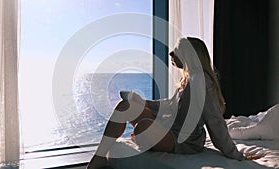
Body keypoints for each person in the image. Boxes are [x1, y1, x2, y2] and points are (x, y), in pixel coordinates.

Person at [87, 37, 262, 169]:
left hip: (184, 141)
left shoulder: (201, 82)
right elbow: (170, 105)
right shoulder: (188, 80)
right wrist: (142, 102)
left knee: (143, 127)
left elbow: (215, 120)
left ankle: (146, 137)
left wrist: (235, 154)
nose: (171, 53)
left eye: (176, 50)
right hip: (169, 127)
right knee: (126, 106)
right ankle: (100, 155)